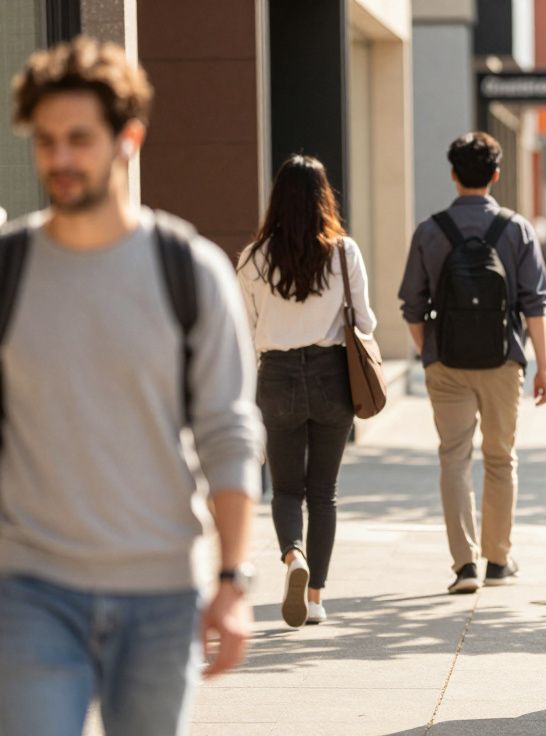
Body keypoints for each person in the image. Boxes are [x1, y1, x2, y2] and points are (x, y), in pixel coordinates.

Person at [0, 37, 262, 734]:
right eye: (46, 140)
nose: (60, 158)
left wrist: (232, 580)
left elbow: (228, 432)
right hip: (29, 590)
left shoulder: (190, 271)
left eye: (79, 139)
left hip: (161, 593)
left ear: (129, 140)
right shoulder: (9, 270)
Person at [399, 132, 546, 595]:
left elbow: (411, 306)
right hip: (503, 361)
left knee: (454, 458)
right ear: (496, 175)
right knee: (501, 458)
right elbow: (535, 304)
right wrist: (542, 367)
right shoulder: (516, 229)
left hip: (446, 362)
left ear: (453, 174)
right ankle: (498, 560)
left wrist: (431, 353)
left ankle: (464, 565)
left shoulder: (430, 230)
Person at [237, 154, 377, 628]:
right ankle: (315, 597)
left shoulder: (253, 258)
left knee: (285, 488)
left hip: (276, 377)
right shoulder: (343, 252)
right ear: (324, 198)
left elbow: (244, 333)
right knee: (323, 493)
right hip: (331, 375)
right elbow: (366, 322)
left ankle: (292, 555)